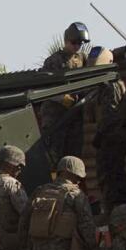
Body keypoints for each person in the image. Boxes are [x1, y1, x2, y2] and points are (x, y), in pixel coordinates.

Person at [86, 45, 126, 212]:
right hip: (108, 139)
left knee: (113, 179)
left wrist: (100, 134)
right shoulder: (103, 86)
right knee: (106, 179)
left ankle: (119, 213)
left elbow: (111, 115)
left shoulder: (112, 85)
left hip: (113, 139)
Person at [39, 22, 91, 163]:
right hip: (55, 117)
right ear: (66, 41)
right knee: (55, 157)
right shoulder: (53, 61)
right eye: (74, 42)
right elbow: (43, 86)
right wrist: (61, 98)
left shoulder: (82, 59)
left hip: (74, 117)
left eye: (80, 43)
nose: (77, 46)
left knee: (74, 158)